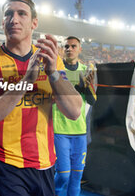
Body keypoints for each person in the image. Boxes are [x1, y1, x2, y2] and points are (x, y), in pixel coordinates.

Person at [0, 0, 82, 196]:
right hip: (5, 163)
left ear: (34, 23)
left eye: (22, 14)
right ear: (3, 22)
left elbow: (74, 111)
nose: (14, 19)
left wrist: (53, 73)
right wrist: (25, 82)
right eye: (8, 14)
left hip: (45, 163)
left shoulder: (51, 59)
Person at [52, 36, 96, 196]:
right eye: (66, 46)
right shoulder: (55, 70)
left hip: (80, 132)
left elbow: (92, 100)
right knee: (63, 175)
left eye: (73, 46)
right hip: (60, 130)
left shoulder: (86, 70)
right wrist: (78, 87)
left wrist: (87, 88)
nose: (69, 49)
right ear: (62, 49)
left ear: (79, 49)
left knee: (76, 177)